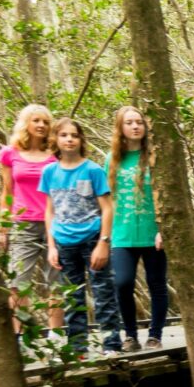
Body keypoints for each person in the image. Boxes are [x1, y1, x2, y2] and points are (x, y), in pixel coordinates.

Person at [39, 117, 119, 356]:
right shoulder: (50, 171)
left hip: (92, 238)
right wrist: (51, 246)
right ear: (55, 140)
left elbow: (107, 208)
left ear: (81, 139)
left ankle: (111, 344)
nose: (69, 140)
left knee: (103, 291)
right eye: (64, 135)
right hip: (63, 241)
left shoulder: (93, 169)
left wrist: (103, 243)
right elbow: (49, 210)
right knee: (73, 297)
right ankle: (78, 348)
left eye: (74, 135)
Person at [104, 106, 166, 351]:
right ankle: (130, 336)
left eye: (139, 122)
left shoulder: (154, 156)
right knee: (122, 282)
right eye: (129, 122)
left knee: (156, 283)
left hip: (153, 234)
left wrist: (163, 228)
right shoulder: (112, 159)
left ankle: (155, 335)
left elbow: (167, 195)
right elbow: (107, 199)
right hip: (122, 233)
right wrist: (105, 235)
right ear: (121, 128)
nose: (135, 126)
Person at [0, 104, 56, 318]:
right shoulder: (10, 153)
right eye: (36, 120)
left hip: (54, 224)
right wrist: (3, 227)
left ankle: (56, 336)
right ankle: (19, 337)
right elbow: (7, 191)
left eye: (45, 122)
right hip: (23, 224)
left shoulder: (55, 154)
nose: (41, 125)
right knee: (18, 283)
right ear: (26, 124)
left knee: (56, 283)